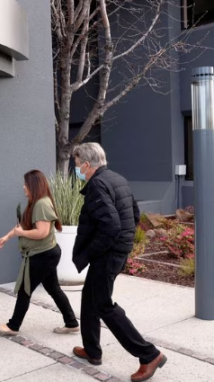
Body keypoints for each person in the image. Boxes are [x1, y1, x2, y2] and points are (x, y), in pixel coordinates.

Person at [71, 143, 166, 382]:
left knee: (103, 305)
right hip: (116, 250)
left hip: (107, 253)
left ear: (86, 164)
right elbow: (134, 215)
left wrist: (92, 252)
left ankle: (149, 354)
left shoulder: (97, 185)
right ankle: (92, 350)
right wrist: (124, 243)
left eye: (76, 165)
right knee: (89, 298)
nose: (76, 170)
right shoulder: (117, 178)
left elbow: (110, 225)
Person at [0, 170, 79, 336]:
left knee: (25, 290)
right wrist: (8, 236)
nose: (23, 187)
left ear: (33, 185)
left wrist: (20, 234)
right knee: (53, 288)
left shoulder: (41, 204)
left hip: (43, 255)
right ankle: (71, 322)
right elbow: (23, 226)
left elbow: (42, 232)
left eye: (26, 183)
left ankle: (13, 326)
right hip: (45, 254)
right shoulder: (36, 202)